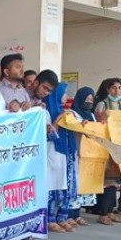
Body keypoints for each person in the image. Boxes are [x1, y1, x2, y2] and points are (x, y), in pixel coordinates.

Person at [93, 77, 121, 225]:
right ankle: (103, 213)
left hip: (119, 145)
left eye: (120, 87)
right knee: (106, 181)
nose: (117, 90)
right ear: (108, 90)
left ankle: (110, 211)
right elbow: (96, 122)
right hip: (105, 145)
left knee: (115, 181)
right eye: (113, 88)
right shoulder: (103, 104)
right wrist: (103, 117)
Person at [66, 87, 98, 226]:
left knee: (83, 186)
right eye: (87, 99)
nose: (89, 102)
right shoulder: (72, 114)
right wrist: (82, 126)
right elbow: (72, 129)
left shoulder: (91, 115)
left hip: (89, 155)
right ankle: (69, 215)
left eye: (91, 99)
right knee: (74, 185)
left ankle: (77, 214)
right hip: (76, 152)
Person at [45, 82, 74, 232]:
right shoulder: (48, 109)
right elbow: (49, 134)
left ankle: (59, 217)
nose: (67, 96)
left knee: (60, 186)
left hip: (61, 151)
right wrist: (59, 118)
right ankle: (49, 219)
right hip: (51, 150)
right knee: (51, 185)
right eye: (64, 93)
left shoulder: (61, 109)